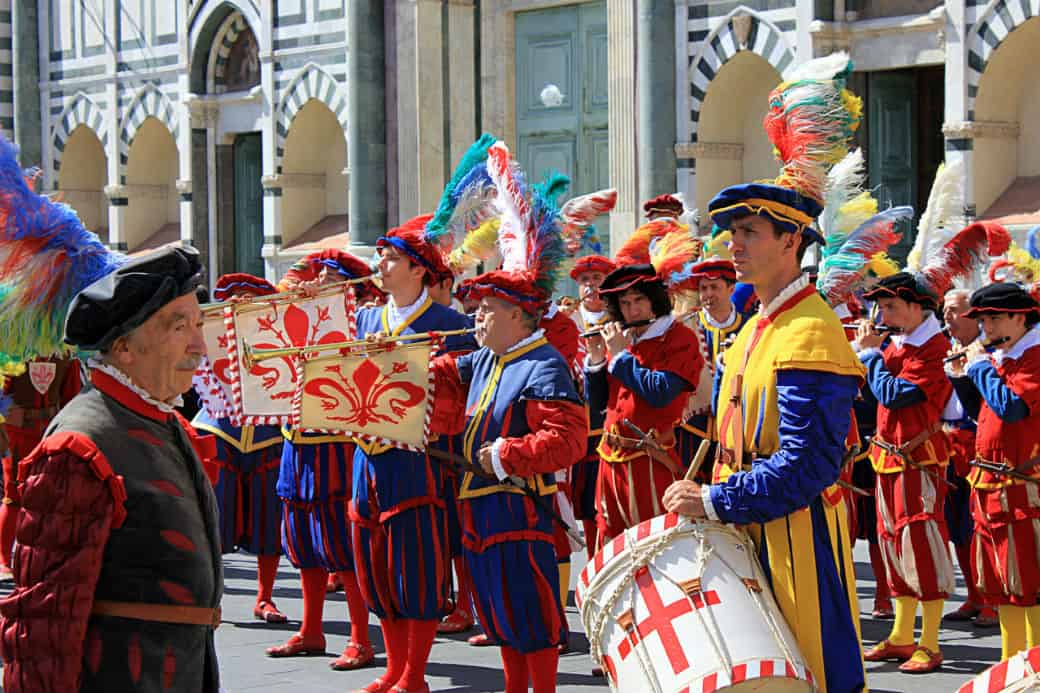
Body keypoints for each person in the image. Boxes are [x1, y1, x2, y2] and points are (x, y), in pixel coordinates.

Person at [663, 52, 868, 693]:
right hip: (749, 529)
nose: (733, 245)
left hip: (795, 538)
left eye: (748, 232)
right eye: (730, 233)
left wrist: (716, 499)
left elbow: (809, 464)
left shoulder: (808, 332)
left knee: (806, 675)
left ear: (790, 240)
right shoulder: (756, 326)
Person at [0, 245, 224, 692]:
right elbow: (44, 621)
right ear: (124, 347)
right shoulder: (78, 445)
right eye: (180, 327)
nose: (200, 346)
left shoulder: (162, 419)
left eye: (199, 325)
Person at [426, 144, 588, 691]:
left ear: (519, 316)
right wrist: (398, 362)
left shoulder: (542, 364)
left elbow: (566, 441)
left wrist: (503, 455)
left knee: (530, 620)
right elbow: (445, 372)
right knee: (501, 619)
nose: (477, 317)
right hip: (482, 511)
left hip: (521, 512)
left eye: (488, 309)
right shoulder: (493, 357)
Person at [350, 214, 475, 693]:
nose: (380, 265)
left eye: (392, 259)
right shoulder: (365, 317)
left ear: (419, 269)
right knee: (374, 564)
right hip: (367, 455)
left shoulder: (449, 323)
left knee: (415, 564)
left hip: (420, 461)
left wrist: (412, 362)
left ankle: (416, 674)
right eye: (381, 257)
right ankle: (393, 666)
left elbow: (465, 385)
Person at [266, 250, 379, 672]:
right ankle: (311, 630)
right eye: (321, 275)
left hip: (334, 441)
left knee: (341, 544)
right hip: (296, 440)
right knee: (301, 539)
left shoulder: (360, 319)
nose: (320, 281)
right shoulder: (305, 315)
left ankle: (361, 639)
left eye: (332, 278)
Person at [585, 238, 703, 543]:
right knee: (609, 543)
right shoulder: (623, 339)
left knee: (655, 543)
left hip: (652, 461)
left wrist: (622, 357)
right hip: (609, 459)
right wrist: (597, 361)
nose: (632, 310)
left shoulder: (679, 338)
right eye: (624, 304)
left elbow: (661, 393)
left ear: (654, 300)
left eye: (638, 300)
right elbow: (599, 404)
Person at [948, 282, 1040, 660]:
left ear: (1019, 317)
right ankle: (1010, 663)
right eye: (982, 318)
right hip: (990, 481)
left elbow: (1012, 408)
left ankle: (1032, 667)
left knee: (1027, 580)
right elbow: (981, 413)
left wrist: (980, 367)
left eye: (991, 317)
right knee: (1001, 581)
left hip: (1020, 485)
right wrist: (962, 377)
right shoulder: (1004, 355)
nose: (983, 325)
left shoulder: (1033, 355)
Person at [192, 273, 288, 625]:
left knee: (268, 519)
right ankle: (210, 596)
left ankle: (265, 598)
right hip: (218, 429)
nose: (239, 304)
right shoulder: (204, 334)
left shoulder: (277, 338)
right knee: (214, 518)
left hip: (267, 432)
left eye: (247, 298)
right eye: (232, 298)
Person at [940, 288, 996, 628]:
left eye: (955, 310)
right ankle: (975, 595)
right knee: (958, 527)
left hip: (980, 446)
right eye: (945, 311)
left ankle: (992, 598)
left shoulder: (987, 352)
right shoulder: (947, 349)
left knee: (982, 527)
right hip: (949, 447)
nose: (948, 318)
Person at [0, 355, 82, 579]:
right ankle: (3, 559)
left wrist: (70, 431)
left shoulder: (66, 355)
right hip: (17, 435)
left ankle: (40, 561)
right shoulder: (14, 352)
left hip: (50, 432)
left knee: (48, 496)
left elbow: (72, 398)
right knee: (14, 494)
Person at [567, 254, 614, 555]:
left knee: (611, 502)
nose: (591, 286)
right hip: (580, 427)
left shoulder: (620, 317)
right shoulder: (567, 322)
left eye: (597, 279)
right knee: (585, 504)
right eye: (585, 280)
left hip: (611, 422)